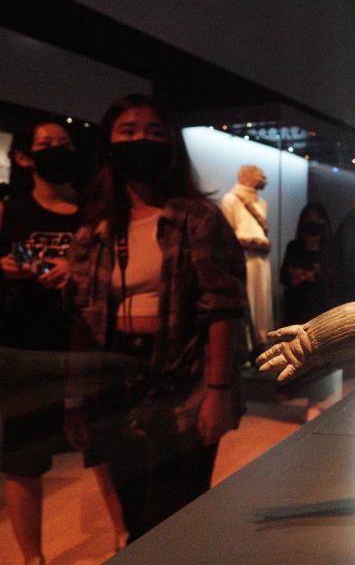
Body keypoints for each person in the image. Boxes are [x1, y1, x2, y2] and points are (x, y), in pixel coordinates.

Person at [67, 94, 247, 542]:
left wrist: (218, 392)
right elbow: (81, 320)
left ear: (170, 144)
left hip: (183, 379)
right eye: (127, 131)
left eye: (153, 131)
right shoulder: (95, 227)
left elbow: (222, 308)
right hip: (114, 381)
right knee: (133, 513)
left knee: (176, 513)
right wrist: (75, 400)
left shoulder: (197, 217)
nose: (141, 140)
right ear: (109, 145)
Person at [0, 117, 126, 565]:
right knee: (24, 460)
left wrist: (78, 270)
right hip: (25, 346)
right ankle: (32, 559)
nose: (57, 150)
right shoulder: (8, 211)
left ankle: (126, 539)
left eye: (64, 143)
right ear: (23, 157)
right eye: (46, 143)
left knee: (102, 448)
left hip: (85, 343)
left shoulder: (95, 212)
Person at [220, 165, 273, 351]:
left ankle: (260, 340)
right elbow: (227, 234)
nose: (264, 179)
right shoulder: (230, 199)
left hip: (261, 259)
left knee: (261, 301)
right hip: (244, 258)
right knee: (247, 298)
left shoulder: (262, 203)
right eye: (260, 175)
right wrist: (248, 243)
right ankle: (246, 344)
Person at [280, 203, 336, 325]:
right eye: (309, 222)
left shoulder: (330, 249)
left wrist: (316, 276)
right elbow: (283, 277)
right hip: (295, 307)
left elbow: (335, 279)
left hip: (321, 309)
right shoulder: (294, 247)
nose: (313, 228)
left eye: (317, 223)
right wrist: (294, 277)